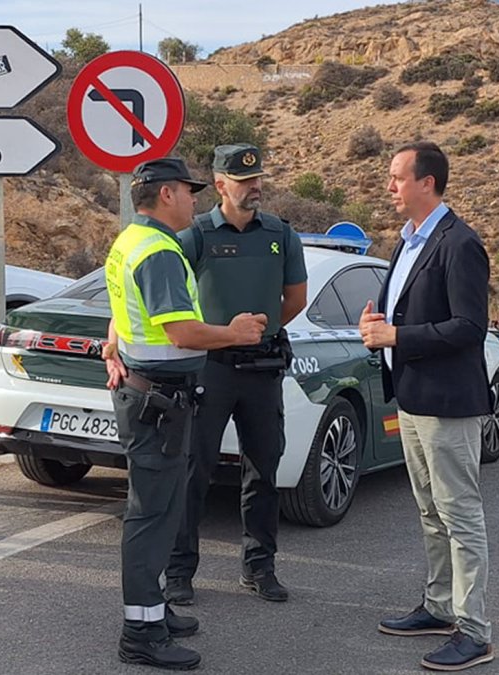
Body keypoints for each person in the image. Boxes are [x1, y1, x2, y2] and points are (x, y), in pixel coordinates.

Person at [102, 157, 267, 670]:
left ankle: (153, 613)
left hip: (150, 394)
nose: (194, 200)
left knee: (160, 509)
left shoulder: (134, 240)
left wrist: (115, 347)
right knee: (151, 517)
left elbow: (127, 313)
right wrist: (234, 334)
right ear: (167, 193)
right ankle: (140, 632)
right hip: (159, 401)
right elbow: (179, 331)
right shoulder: (158, 252)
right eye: (189, 192)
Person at [359, 141, 494, 671]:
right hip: (412, 398)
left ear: (427, 183)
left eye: (397, 177)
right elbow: (407, 317)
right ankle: (439, 608)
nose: (389, 186)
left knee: (461, 516)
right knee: (430, 511)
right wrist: (377, 330)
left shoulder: (459, 244)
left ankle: (475, 630)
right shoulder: (409, 241)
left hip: (446, 403)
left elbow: (469, 328)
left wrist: (396, 334)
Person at [163, 144, 308, 606]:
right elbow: (172, 300)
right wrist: (226, 335)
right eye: (244, 180)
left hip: (262, 370)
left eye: (258, 178)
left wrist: (258, 333)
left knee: (264, 470)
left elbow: (294, 300)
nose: (255, 187)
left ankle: (260, 567)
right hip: (211, 369)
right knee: (194, 472)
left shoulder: (280, 235)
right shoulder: (196, 236)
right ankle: (181, 571)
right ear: (221, 184)